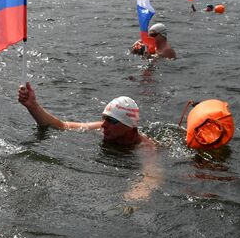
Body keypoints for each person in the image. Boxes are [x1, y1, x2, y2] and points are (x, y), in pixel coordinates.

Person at [18, 82, 161, 200]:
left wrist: (137, 195)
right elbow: (61, 126)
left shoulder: (145, 146)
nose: (104, 124)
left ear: (130, 128)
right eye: (104, 118)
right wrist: (32, 105)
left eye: (111, 120)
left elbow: (152, 175)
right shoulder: (101, 128)